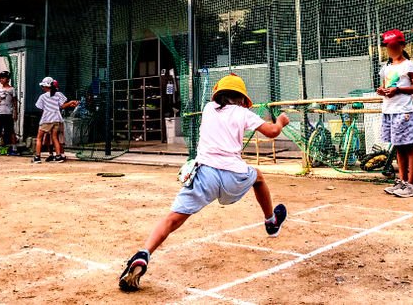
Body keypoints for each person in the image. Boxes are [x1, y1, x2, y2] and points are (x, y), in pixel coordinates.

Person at [119, 74, 290, 291]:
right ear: (241, 99)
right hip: (234, 176)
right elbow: (273, 132)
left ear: (219, 95)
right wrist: (281, 121)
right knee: (258, 177)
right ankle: (271, 221)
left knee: (172, 219)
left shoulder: (209, 108)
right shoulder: (243, 113)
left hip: (204, 175)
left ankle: (143, 254)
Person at [377, 30, 413, 198]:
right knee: (398, 147)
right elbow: (386, 86)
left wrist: (398, 89)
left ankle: (412, 185)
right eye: (389, 47)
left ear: (402, 46)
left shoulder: (408, 65)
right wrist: (383, 91)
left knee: (410, 147)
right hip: (389, 110)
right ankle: (402, 182)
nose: (392, 49)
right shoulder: (386, 67)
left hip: (403, 111)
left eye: (395, 46)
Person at [31, 77, 77, 163]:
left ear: (45, 86)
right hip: (57, 119)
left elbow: (40, 108)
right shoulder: (58, 94)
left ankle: (37, 157)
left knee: (39, 138)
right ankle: (58, 156)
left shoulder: (43, 97)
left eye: (43, 86)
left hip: (47, 119)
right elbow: (62, 106)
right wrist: (71, 102)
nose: (42, 88)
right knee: (55, 137)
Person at [0, 71, 19, 156]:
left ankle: (14, 149)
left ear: (8, 79)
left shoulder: (12, 89)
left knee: (11, 131)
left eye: (3, 78)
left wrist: (15, 112)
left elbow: (15, 102)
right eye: (0, 78)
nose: (1, 80)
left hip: (8, 113)